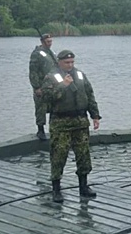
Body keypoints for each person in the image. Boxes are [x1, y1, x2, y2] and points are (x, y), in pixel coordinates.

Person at [41, 49, 101, 203]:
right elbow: (47, 97)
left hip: (80, 121)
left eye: (72, 62)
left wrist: (95, 115)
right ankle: (56, 189)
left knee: (83, 155)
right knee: (59, 156)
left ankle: (84, 187)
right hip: (61, 123)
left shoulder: (80, 75)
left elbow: (89, 95)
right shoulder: (51, 77)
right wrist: (63, 85)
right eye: (67, 62)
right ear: (59, 62)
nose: (70, 65)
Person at [29, 33, 57, 140]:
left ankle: (53, 129)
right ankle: (40, 131)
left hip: (53, 86)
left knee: (54, 108)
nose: (50, 43)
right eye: (48, 41)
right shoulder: (36, 54)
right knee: (41, 109)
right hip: (41, 86)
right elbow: (33, 72)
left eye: (51, 41)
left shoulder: (51, 53)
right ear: (42, 41)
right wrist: (36, 87)